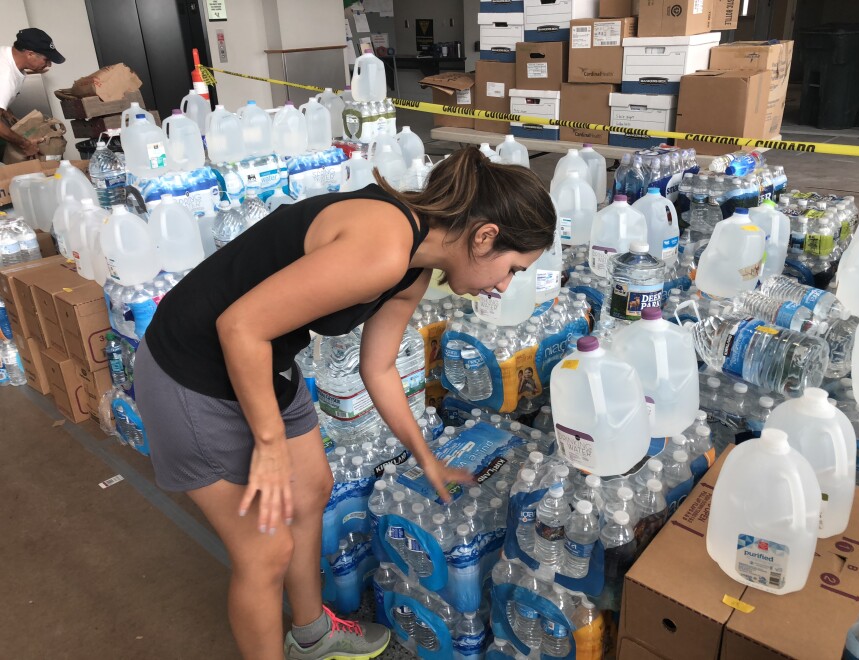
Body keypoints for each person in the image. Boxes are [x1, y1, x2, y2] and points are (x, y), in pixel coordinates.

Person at [134, 145, 557, 660]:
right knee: (266, 552)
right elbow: (238, 326)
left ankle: (311, 634)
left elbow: (377, 368)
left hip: (263, 363)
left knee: (312, 488)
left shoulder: (413, 265)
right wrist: (268, 443)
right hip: (190, 373)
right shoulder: (383, 247)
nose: (504, 285)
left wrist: (427, 459)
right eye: (512, 267)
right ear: (485, 236)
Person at [0, 28, 65, 159]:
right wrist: (25, 144)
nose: (49, 65)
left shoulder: (6, 55)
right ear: (30, 54)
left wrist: (8, 114)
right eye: (46, 59)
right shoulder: (6, 76)